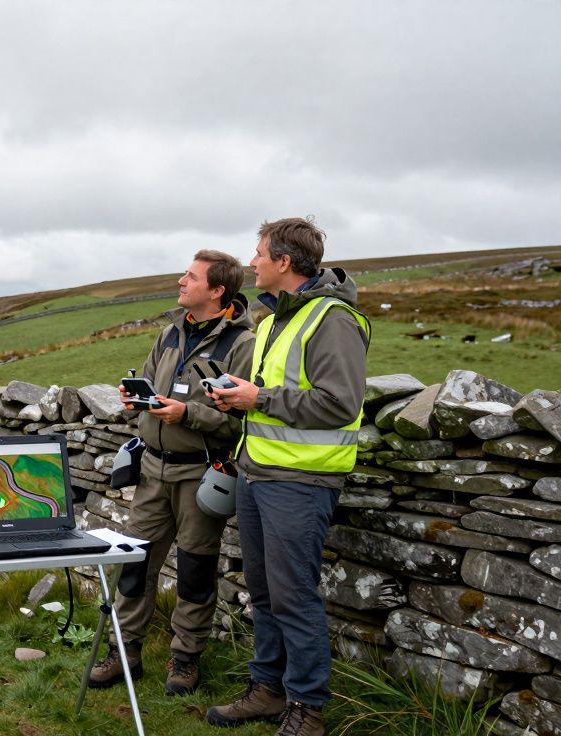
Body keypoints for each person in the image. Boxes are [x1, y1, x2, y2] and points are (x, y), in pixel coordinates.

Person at [205, 218, 370, 736]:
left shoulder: (333, 318)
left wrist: (260, 399)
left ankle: (307, 710)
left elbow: (341, 404)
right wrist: (239, 395)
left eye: (258, 254)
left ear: (283, 261)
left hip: (301, 482)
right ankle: (268, 691)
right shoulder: (276, 319)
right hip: (259, 475)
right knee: (264, 593)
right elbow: (278, 393)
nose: (251, 262)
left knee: (294, 595)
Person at [89, 249, 255, 696]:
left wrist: (187, 415)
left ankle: (185, 660)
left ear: (217, 290)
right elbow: (146, 382)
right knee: (134, 565)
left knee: (196, 571)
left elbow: (242, 421)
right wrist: (135, 401)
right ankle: (124, 651)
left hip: (201, 475)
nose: (181, 281)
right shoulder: (168, 334)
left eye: (191, 276)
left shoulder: (242, 345)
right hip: (151, 470)